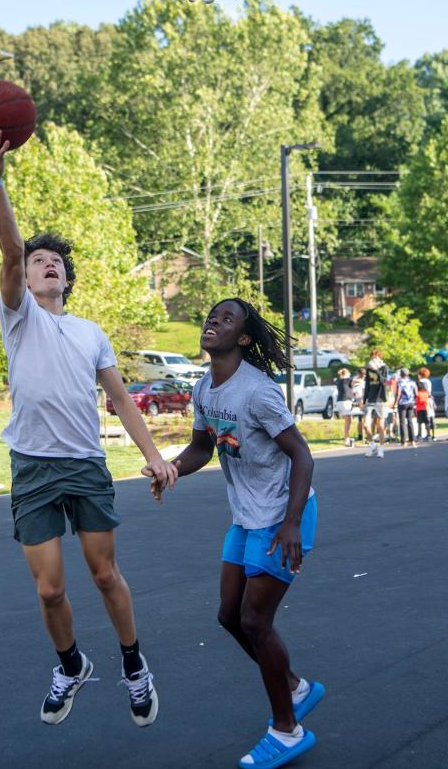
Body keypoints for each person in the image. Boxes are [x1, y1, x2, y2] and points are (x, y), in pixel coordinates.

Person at [0, 123, 172, 726]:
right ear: (26, 280)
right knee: (50, 589)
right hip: (32, 464)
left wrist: (156, 455)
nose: (46, 266)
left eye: (55, 262)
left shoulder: (89, 333)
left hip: (85, 464)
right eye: (38, 261)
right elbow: (7, 249)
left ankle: (135, 666)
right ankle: (70, 664)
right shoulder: (19, 317)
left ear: (67, 277)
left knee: (105, 574)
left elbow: (123, 400)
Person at [161, 298, 323, 769]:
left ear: (244, 339)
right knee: (229, 617)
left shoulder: (258, 392)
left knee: (255, 621)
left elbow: (303, 456)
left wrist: (291, 522)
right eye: (211, 315)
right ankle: (295, 687)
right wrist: (171, 469)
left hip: (283, 516)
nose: (213, 321)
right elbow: (202, 447)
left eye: (226, 319)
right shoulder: (204, 388)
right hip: (246, 516)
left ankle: (287, 728)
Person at [362, 352, 388, 458]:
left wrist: (377, 369)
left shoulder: (384, 367)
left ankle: (381, 448)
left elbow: (383, 380)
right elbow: (367, 384)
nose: (373, 358)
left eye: (375, 357)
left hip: (380, 399)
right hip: (370, 399)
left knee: (380, 425)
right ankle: (372, 445)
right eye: (372, 357)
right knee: (365, 424)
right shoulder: (369, 369)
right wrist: (364, 400)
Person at [395, 367, 418, 446]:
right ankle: (412, 440)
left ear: (401, 374)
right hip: (411, 402)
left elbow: (398, 393)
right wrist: (413, 399)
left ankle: (403, 441)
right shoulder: (412, 382)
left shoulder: (400, 382)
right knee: (410, 421)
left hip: (402, 403)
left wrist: (395, 402)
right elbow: (416, 393)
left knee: (402, 422)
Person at [333, 368, 355, 447]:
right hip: (346, 402)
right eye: (348, 374)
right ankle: (346, 439)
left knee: (348, 421)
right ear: (346, 374)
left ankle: (347, 437)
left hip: (340, 401)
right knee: (347, 422)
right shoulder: (346, 380)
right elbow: (353, 378)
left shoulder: (338, 381)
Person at [416, 367, 435, 441]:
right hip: (428, 400)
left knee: (420, 420)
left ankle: (419, 434)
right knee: (428, 418)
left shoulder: (420, 381)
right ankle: (429, 434)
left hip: (421, 401)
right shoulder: (428, 381)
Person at [351, 368, 367, 443]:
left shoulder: (354, 381)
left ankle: (361, 435)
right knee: (364, 419)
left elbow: (353, 392)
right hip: (362, 401)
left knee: (360, 420)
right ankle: (364, 435)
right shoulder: (362, 382)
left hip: (358, 401)